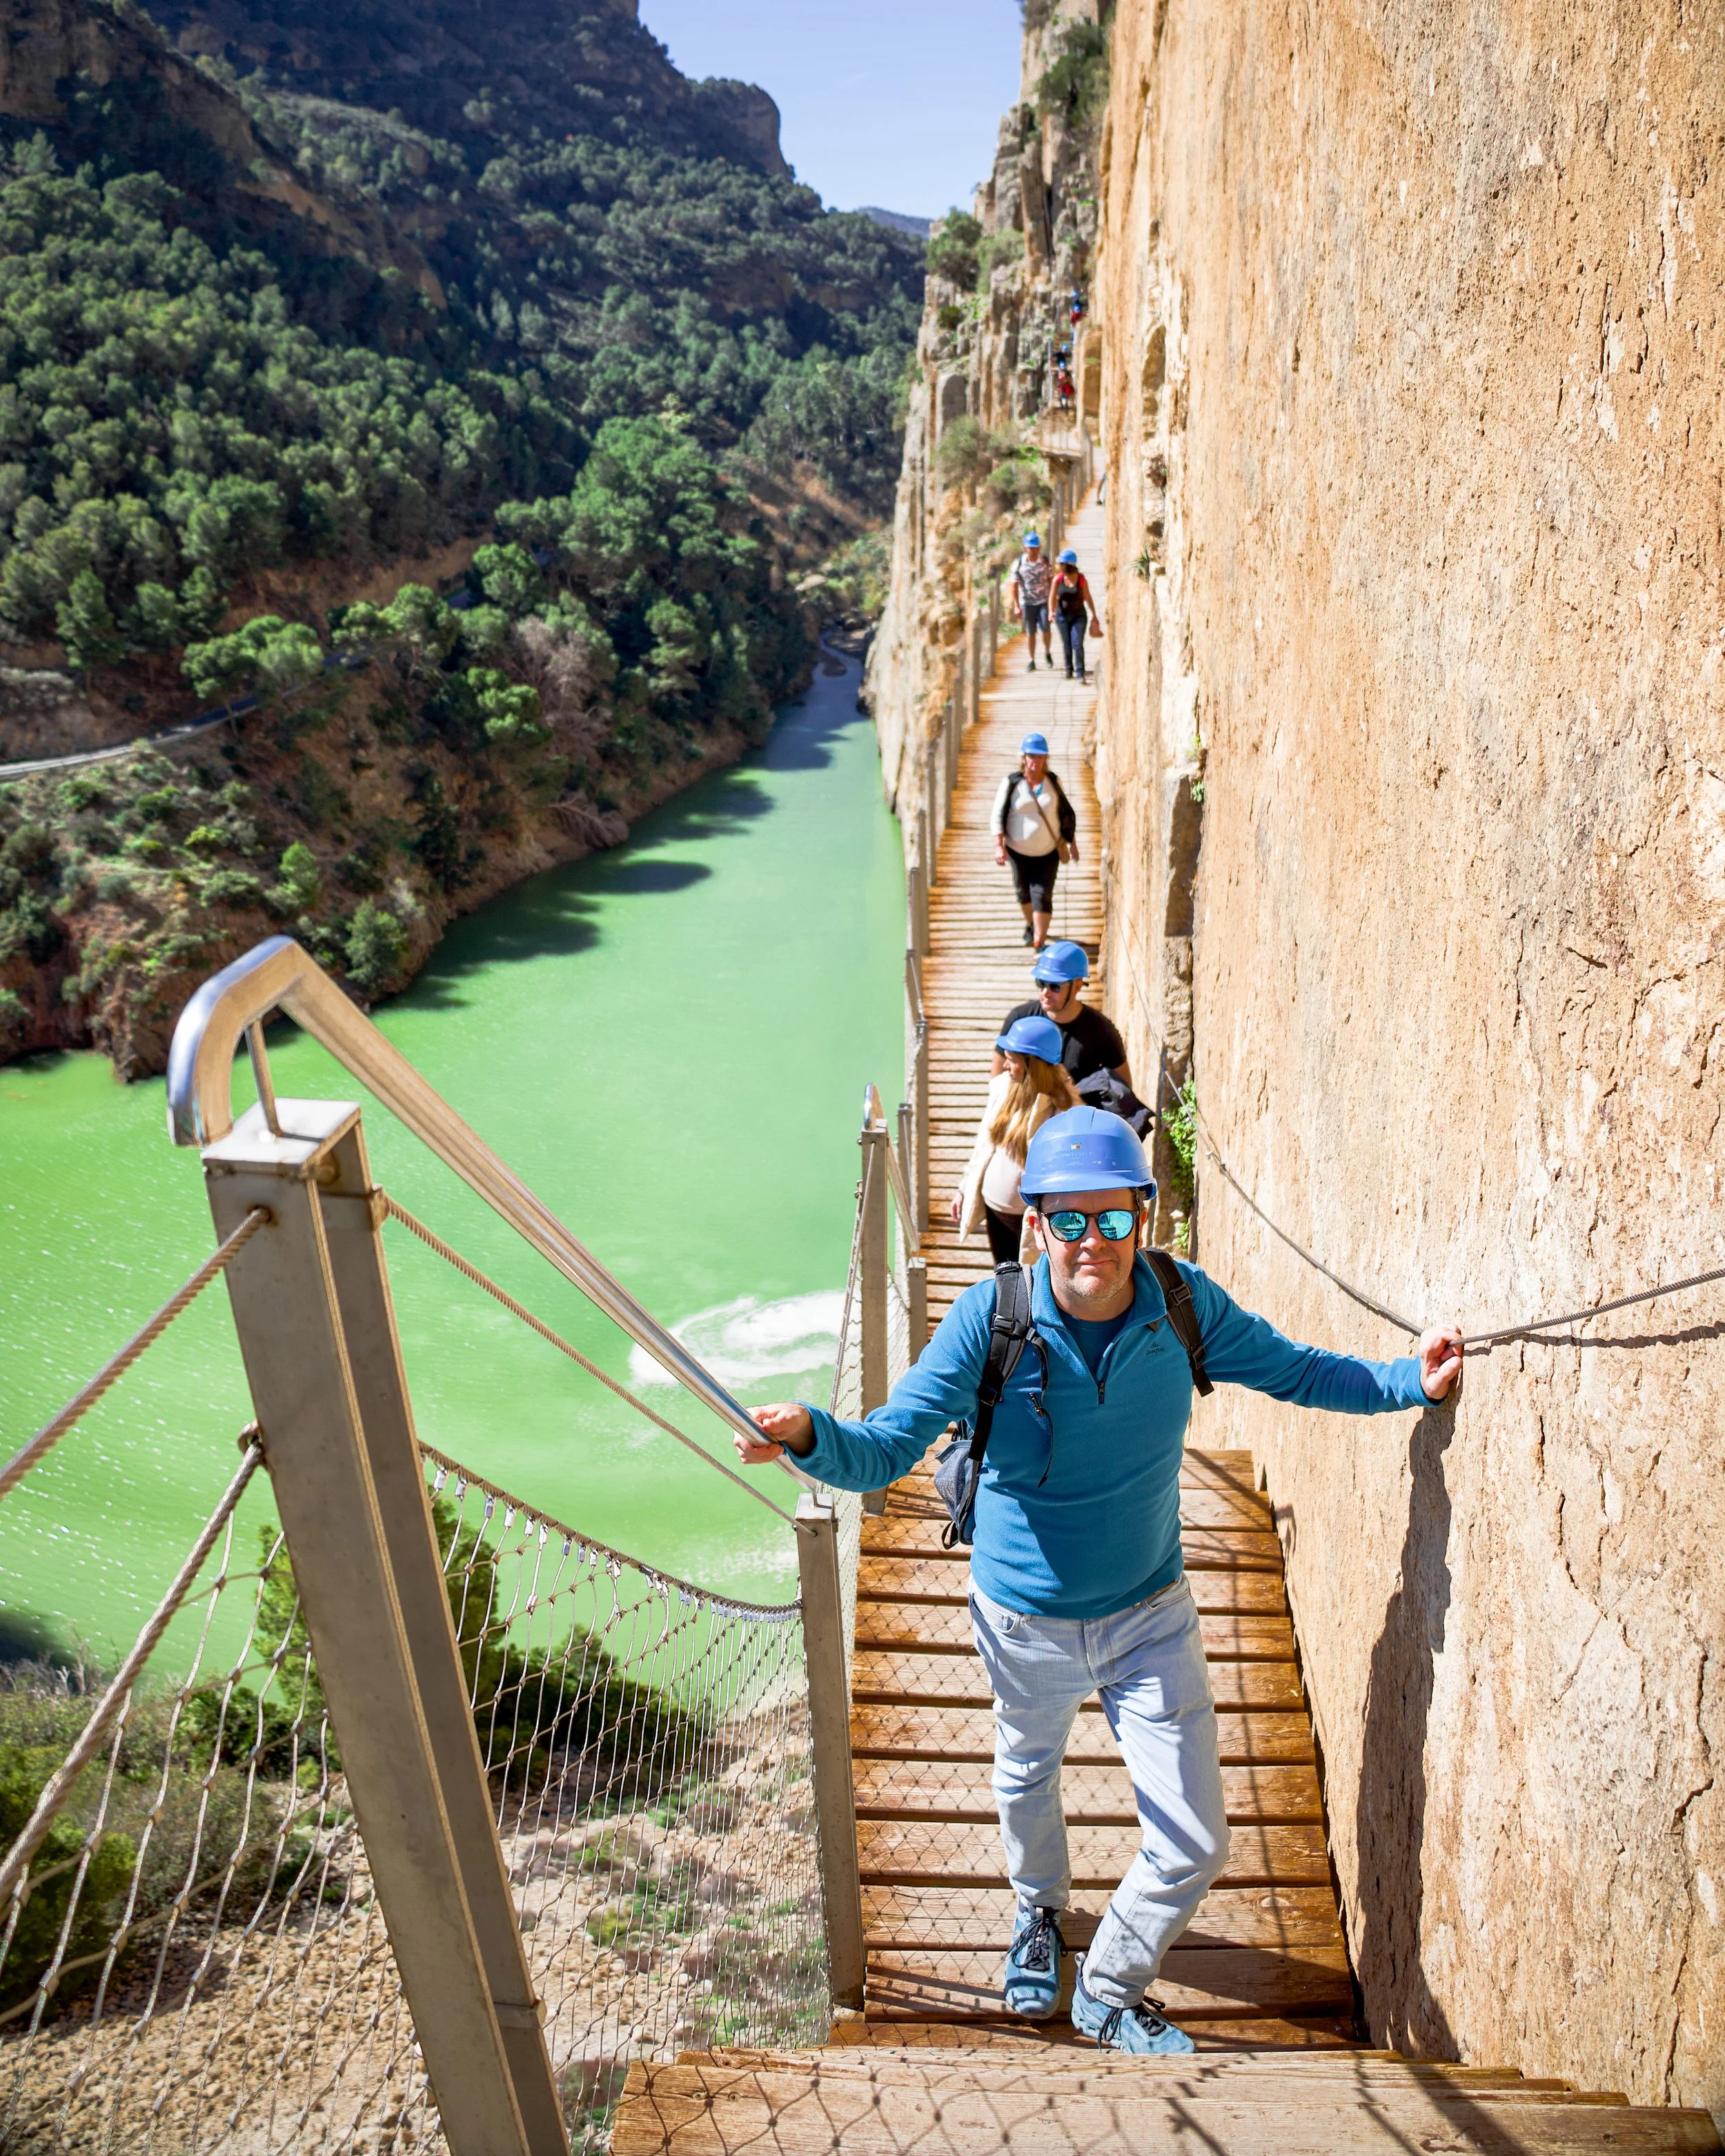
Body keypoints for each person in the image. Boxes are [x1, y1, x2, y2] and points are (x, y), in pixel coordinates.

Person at [736, 1108, 1464, 2055]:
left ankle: (1108, 1985)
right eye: (1069, 1220)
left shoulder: (1183, 1307)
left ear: (1144, 1219)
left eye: (1113, 1219)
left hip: (1149, 1615)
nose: (1094, 1243)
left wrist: (1411, 1379)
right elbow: (881, 1453)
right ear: (1035, 1224)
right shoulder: (989, 1321)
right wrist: (804, 1437)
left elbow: (1295, 1369)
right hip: (1022, 1619)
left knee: (1198, 1840)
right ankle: (1038, 1912)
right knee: (1026, 1770)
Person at [951, 1014, 1080, 1264]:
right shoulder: (1003, 1088)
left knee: (1029, 1282)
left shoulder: (1064, 1110)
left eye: (1012, 1061)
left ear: (1033, 1064)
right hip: (994, 1209)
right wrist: (963, 1189)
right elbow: (983, 1145)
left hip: (1028, 1219)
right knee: (1004, 1277)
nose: (1005, 1066)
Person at [995, 940, 1128, 1089]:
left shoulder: (1102, 1031)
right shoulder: (1019, 1019)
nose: (1046, 992)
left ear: (1077, 986)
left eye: (1055, 987)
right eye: (1041, 983)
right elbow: (998, 1080)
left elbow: (1123, 1091)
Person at [993, 733, 1078, 950]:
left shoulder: (1053, 782)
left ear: (1045, 758)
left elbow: (1065, 813)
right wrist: (999, 846)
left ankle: (1040, 941)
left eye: (1039, 756)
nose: (1035, 761)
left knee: (1042, 893)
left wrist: (1072, 842)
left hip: (1048, 850)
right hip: (1017, 850)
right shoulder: (1012, 783)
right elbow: (997, 814)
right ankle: (1031, 924)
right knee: (1023, 892)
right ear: (1023, 758)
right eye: (1031, 756)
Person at [1051, 549, 1102, 682]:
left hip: (1079, 616)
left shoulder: (1081, 579)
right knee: (1067, 643)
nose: (1060, 566)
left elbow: (1088, 597)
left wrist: (1094, 614)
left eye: (1062, 564)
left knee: (1077, 643)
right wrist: (1051, 612)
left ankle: (1080, 672)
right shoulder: (1058, 579)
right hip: (1062, 616)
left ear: (1069, 564)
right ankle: (1069, 670)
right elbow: (1052, 596)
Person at [1011, 533, 1054, 671]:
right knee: (1031, 633)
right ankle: (1032, 660)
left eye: (1035, 547)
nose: (1032, 550)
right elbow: (1015, 585)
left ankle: (1047, 652)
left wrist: (1053, 602)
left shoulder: (1045, 562)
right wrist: (1017, 605)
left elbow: (1051, 581)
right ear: (1025, 548)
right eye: (1029, 547)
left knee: (1046, 629)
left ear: (1039, 548)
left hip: (1043, 601)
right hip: (1027, 603)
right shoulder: (1019, 564)